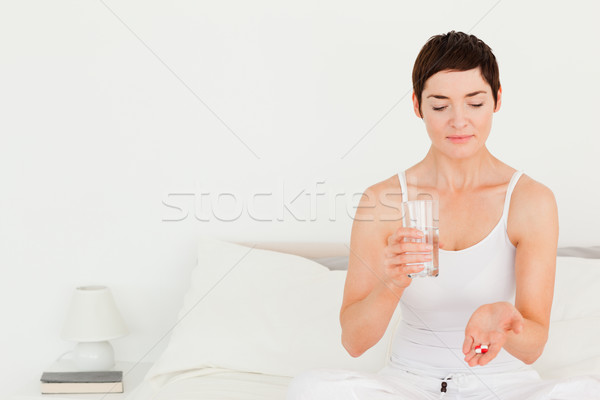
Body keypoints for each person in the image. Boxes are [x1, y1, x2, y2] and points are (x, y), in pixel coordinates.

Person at [286, 31, 600, 399]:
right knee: (311, 389)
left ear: (497, 100)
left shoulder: (531, 200)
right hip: (408, 383)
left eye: (474, 103)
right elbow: (354, 342)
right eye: (440, 106)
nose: (459, 121)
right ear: (417, 106)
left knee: (582, 392)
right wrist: (392, 281)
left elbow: (532, 347)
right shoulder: (383, 200)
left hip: (502, 385)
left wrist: (502, 318)